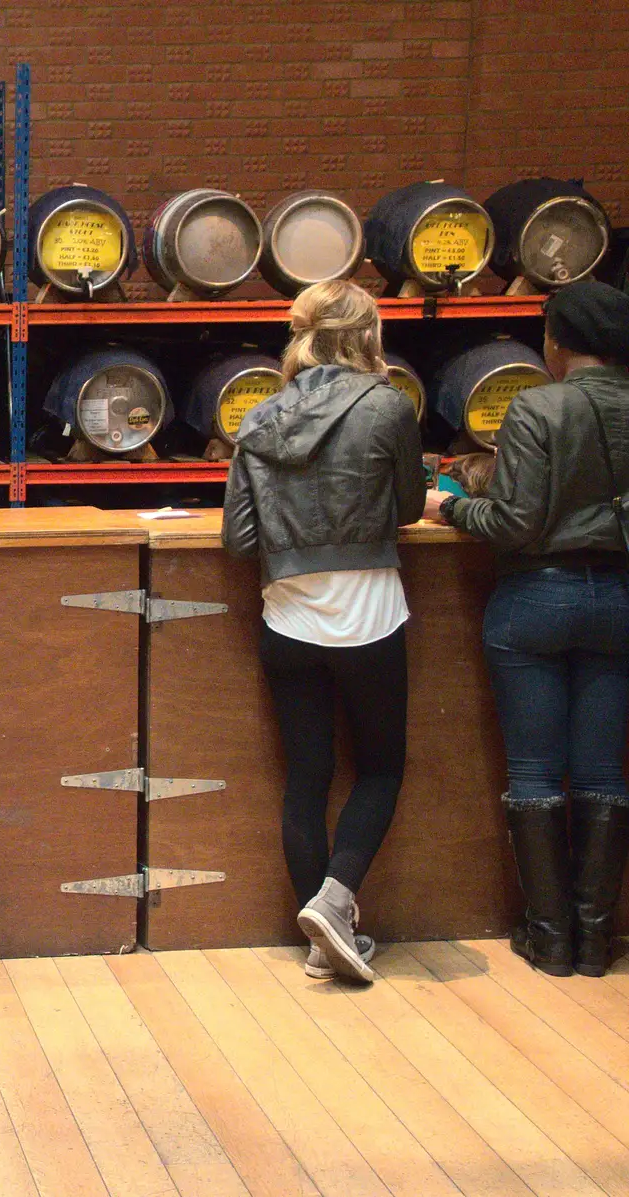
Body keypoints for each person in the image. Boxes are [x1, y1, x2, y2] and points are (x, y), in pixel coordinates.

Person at [223, 279, 426, 984]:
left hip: (288, 614)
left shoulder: (259, 417)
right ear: (366, 334)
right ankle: (336, 905)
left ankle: (317, 936)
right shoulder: (388, 406)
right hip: (370, 611)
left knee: (306, 777)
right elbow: (407, 506)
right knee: (382, 767)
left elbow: (241, 539)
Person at [426, 279, 629, 979]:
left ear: (559, 342)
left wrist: (450, 509)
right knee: (604, 768)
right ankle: (597, 939)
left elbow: (514, 522)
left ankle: (550, 938)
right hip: (621, 602)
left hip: (536, 601)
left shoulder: (538, 406)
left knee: (536, 768)